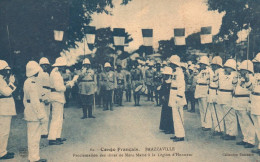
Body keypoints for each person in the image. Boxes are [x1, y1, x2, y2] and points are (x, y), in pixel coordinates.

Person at [23, 61, 47, 162]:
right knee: (35, 137)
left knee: (32, 136)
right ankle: (34, 158)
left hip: (30, 111)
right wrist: (41, 115)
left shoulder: (27, 81)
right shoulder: (32, 83)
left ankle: (33, 157)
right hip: (34, 112)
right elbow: (35, 102)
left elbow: (25, 100)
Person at [232, 60, 255, 148]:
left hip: (244, 100)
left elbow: (251, 89)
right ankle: (245, 138)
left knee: (247, 121)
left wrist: (246, 79)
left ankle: (251, 140)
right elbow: (234, 86)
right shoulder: (240, 77)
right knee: (242, 122)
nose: (240, 71)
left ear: (248, 70)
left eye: (242, 69)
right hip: (237, 101)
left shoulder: (251, 78)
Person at [48, 57, 70, 145]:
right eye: (63, 66)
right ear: (60, 66)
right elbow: (58, 88)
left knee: (59, 118)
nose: (64, 68)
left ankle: (57, 136)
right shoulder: (55, 74)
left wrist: (64, 85)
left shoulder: (57, 73)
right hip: (56, 97)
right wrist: (67, 87)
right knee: (56, 118)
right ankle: (52, 138)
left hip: (59, 97)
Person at [217, 59, 238, 140]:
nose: (225, 69)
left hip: (229, 96)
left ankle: (232, 134)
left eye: (227, 67)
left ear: (232, 68)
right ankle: (228, 132)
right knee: (226, 116)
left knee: (231, 116)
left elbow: (235, 87)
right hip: (222, 96)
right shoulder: (223, 74)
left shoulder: (235, 75)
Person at [0, 60, 16, 160]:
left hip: (5, 107)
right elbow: (6, 92)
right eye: (6, 70)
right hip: (3, 108)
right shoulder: (1, 80)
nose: (8, 72)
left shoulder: (3, 79)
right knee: (3, 131)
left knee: (4, 131)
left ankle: (3, 150)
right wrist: (12, 83)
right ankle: (2, 152)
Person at [168, 55, 186, 142]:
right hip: (173, 94)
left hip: (177, 96)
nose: (170, 65)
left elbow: (182, 85)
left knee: (178, 116)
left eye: (171, 63)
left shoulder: (179, 72)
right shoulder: (174, 72)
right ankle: (177, 134)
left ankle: (181, 135)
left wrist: (179, 96)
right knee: (175, 116)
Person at [195, 56, 211, 131]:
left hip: (205, 90)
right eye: (200, 64)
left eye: (202, 64)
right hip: (199, 90)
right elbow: (197, 79)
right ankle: (203, 124)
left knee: (206, 108)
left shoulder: (209, 71)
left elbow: (209, 81)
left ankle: (208, 125)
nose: (201, 65)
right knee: (201, 109)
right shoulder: (200, 71)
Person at [208, 56, 223, 136]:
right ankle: (217, 128)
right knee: (214, 112)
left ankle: (219, 129)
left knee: (217, 112)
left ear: (217, 65)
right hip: (212, 91)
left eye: (214, 65)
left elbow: (217, 83)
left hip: (216, 92)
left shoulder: (219, 72)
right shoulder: (215, 71)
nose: (213, 66)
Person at [38, 57, 52, 139]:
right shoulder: (39, 74)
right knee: (43, 114)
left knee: (47, 113)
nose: (45, 67)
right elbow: (39, 87)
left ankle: (44, 131)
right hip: (43, 93)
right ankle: (43, 132)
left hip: (47, 92)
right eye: (43, 65)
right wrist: (43, 97)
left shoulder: (46, 73)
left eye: (46, 65)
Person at [159, 66, 174, 134]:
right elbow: (162, 90)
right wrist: (162, 95)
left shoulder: (172, 82)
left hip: (169, 98)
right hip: (165, 98)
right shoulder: (164, 81)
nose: (165, 75)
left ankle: (170, 128)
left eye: (166, 74)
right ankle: (164, 127)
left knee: (169, 114)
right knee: (164, 113)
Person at [250, 53, 260, 155]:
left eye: (257, 63)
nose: (255, 65)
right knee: (257, 125)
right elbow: (251, 88)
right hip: (254, 100)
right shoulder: (255, 75)